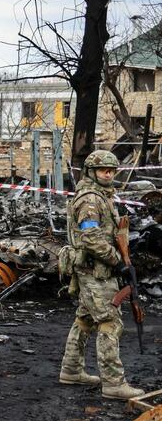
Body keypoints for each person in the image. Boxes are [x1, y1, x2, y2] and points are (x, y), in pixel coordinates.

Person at [59, 150, 145, 400]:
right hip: (95, 271)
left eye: (111, 170)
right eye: (103, 170)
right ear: (91, 172)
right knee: (110, 322)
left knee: (85, 319)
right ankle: (113, 383)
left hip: (95, 269)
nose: (108, 174)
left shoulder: (101, 196)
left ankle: (71, 370)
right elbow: (91, 237)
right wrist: (117, 261)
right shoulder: (90, 200)